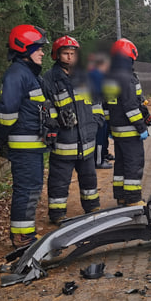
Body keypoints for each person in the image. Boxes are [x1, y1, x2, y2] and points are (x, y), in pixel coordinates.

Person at [0, 25, 51, 248]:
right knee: (26, 191)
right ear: (25, 49)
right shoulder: (17, 74)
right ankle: (22, 238)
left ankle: (25, 234)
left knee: (32, 190)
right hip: (24, 146)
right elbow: (7, 111)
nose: (42, 53)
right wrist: (2, 136)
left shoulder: (27, 74)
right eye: (38, 48)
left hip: (32, 146)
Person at [41, 36, 104, 224]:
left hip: (86, 140)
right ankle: (57, 214)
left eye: (73, 54)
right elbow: (45, 105)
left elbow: (96, 103)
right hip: (64, 141)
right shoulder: (49, 79)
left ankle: (92, 208)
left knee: (89, 179)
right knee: (59, 181)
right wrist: (56, 121)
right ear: (57, 55)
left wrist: (96, 122)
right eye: (66, 53)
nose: (70, 57)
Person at [104, 38, 148, 206]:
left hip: (117, 130)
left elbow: (106, 106)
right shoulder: (128, 78)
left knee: (121, 164)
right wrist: (141, 127)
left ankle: (121, 195)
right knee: (133, 163)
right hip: (130, 130)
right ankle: (133, 199)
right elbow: (131, 107)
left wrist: (110, 127)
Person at [88, 53, 113, 169]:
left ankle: (101, 157)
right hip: (96, 113)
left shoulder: (91, 74)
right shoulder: (95, 74)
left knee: (101, 137)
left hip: (94, 112)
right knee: (100, 138)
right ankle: (99, 161)